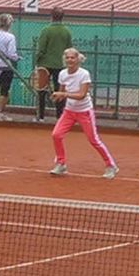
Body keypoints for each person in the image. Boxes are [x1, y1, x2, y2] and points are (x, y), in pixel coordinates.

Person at [50, 48, 118, 179]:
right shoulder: (62, 74)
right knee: (56, 135)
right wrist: (57, 96)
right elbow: (62, 93)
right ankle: (61, 163)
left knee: (94, 140)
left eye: (72, 58)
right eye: (67, 57)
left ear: (78, 59)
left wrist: (63, 94)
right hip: (69, 111)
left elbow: (81, 95)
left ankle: (111, 165)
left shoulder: (84, 74)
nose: (70, 60)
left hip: (84, 111)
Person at [34, 7, 73, 122]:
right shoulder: (67, 31)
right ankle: (59, 117)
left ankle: (40, 117)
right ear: (62, 17)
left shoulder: (46, 30)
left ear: (51, 16)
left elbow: (40, 49)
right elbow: (69, 49)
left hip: (44, 64)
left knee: (41, 90)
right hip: (60, 66)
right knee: (60, 91)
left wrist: (37, 61)